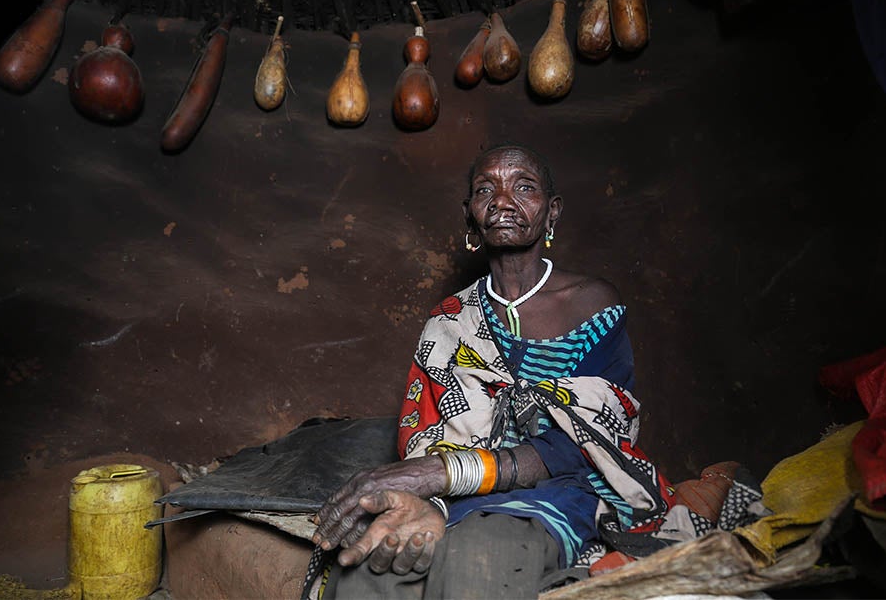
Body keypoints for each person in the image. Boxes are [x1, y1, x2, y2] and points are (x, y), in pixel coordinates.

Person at [307, 144, 753, 599]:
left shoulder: (591, 304)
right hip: (459, 496)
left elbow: (584, 444)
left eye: (524, 187)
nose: (503, 201)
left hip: (566, 489)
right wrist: (432, 503)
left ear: (552, 210)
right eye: (486, 190)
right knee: (365, 572)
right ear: (470, 214)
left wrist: (438, 476)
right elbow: (425, 437)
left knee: (481, 554)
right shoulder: (449, 320)